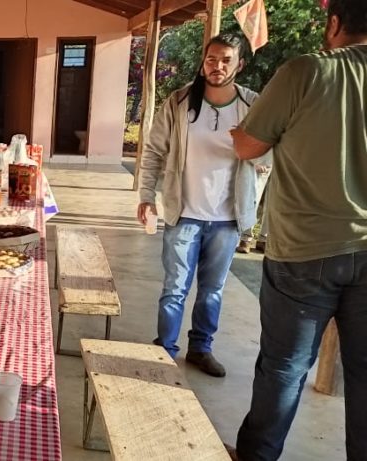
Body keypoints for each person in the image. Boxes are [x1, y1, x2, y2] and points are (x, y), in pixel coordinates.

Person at [230, 0, 367, 458]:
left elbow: (248, 146)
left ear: (335, 22)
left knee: (284, 369)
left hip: (305, 252)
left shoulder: (307, 70)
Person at [137, 34, 270, 377]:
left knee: (212, 290)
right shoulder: (180, 101)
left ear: (240, 65)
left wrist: (254, 155)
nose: (217, 66)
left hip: (227, 218)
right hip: (183, 214)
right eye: (212, 59)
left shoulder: (252, 105)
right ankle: (165, 350)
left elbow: (270, 153)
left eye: (226, 60)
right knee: (174, 289)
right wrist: (146, 197)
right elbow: (154, 150)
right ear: (203, 62)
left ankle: (201, 348)